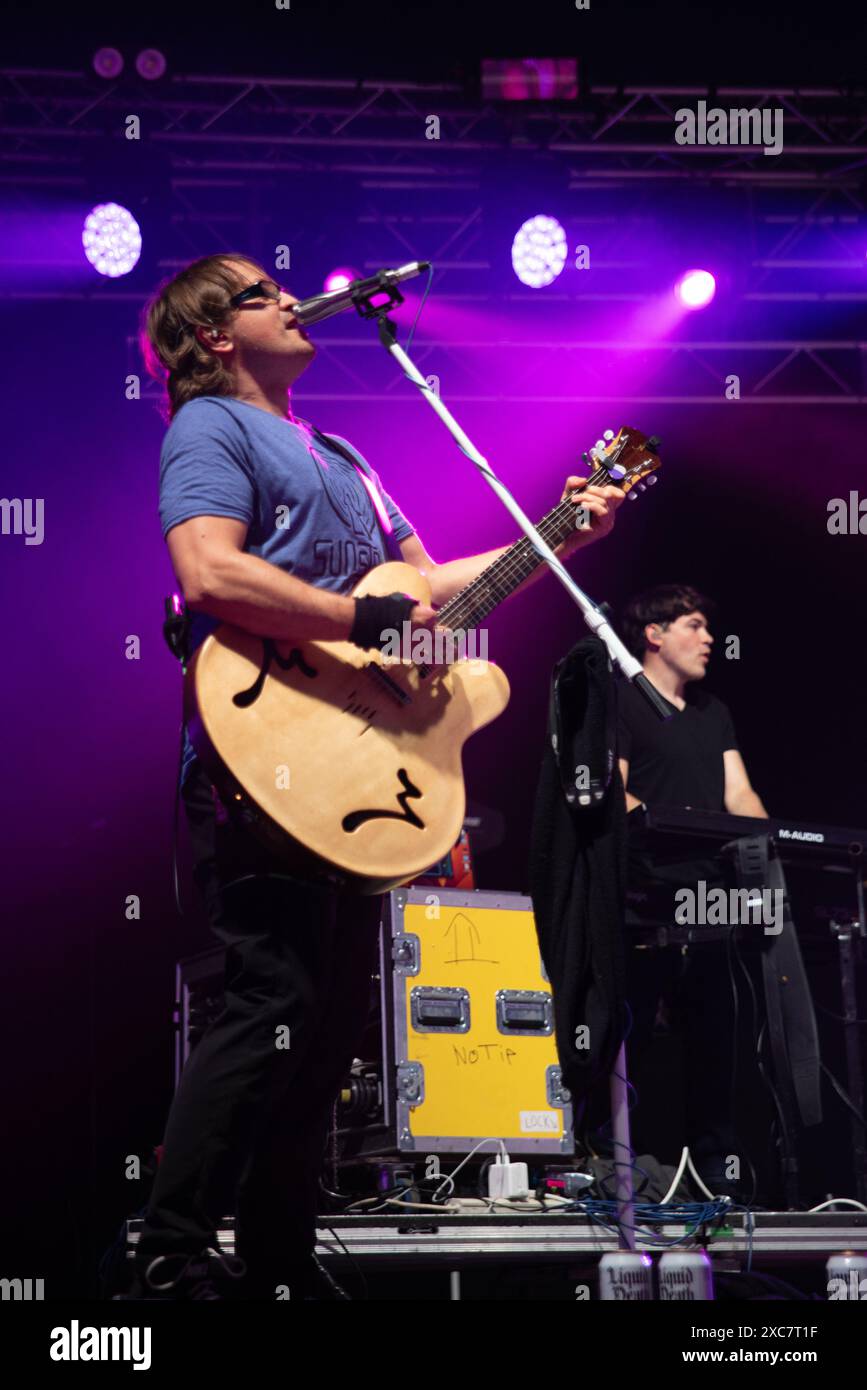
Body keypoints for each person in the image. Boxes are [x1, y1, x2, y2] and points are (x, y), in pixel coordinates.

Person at [126, 252, 625, 1300]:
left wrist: (557, 533)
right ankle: (168, 1254)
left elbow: (433, 587)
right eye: (263, 291)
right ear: (216, 335)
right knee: (268, 997)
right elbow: (208, 569)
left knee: (321, 1030)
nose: (292, 297)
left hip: (350, 780)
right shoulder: (211, 429)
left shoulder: (343, 451)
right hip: (265, 752)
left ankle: (276, 1260)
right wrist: (361, 619)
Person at [616, 583, 768, 1199]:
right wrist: (662, 827)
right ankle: (622, 1168)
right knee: (631, 1043)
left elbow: (741, 795)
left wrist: (766, 843)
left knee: (717, 1044)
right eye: (696, 626)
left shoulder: (714, 713)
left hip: (715, 900)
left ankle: (716, 1180)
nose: (709, 639)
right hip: (645, 897)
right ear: (655, 634)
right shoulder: (622, 703)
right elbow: (610, 791)